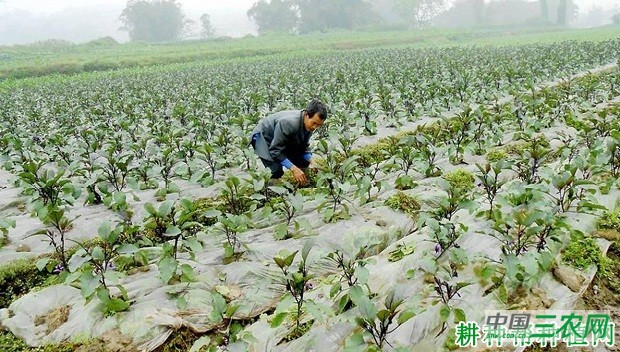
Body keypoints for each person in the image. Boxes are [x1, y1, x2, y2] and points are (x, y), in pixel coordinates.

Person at [250, 99, 327, 185]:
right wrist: (293, 169)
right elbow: (275, 150)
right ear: (306, 115)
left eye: (319, 125)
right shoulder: (289, 123)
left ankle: (303, 182)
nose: (315, 127)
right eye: (314, 123)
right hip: (264, 137)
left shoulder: (309, 125)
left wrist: (312, 161)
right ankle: (272, 192)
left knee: (303, 160)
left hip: (280, 137)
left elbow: (303, 147)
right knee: (275, 169)